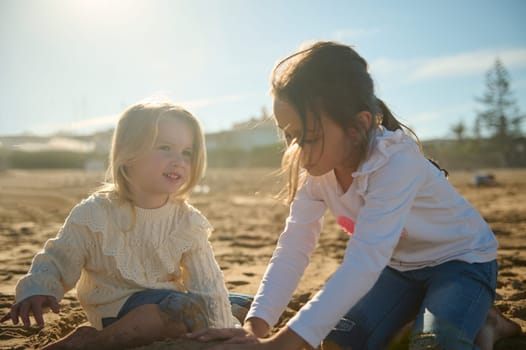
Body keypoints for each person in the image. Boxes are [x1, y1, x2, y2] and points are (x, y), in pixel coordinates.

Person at [187, 42, 522, 349]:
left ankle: (486, 322)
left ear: (358, 126)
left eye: (309, 136)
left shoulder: (396, 161)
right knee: (336, 343)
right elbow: (293, 248)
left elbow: (363, 262)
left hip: (461, 262)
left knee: (433, 344)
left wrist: (281, 345)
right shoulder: (316, 172)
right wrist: (255, 329)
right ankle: (426, 313)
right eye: (289, 135)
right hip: (396, 270)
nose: (297, 150)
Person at [0, 98, 251, 349]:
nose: (179, 160)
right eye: (165, 147)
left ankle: (203, 317)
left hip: (171, 300)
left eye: (187, 152)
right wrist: (39, 288)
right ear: (128, 155)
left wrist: (223, 332)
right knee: (182, 309)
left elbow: (208, 284)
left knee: (245, 305)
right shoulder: (95, 213)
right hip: (118, 312)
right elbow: (57, 258)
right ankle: (90, 341)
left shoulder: (188, 220)